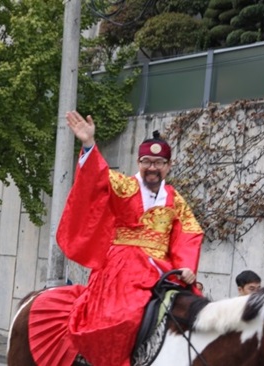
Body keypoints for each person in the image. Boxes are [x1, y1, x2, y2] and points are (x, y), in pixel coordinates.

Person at [28, 111, 204, 366]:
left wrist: (187, 266)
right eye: (146, 161)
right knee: (123, 316)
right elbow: (97, 178)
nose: (152, 167)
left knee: (195, 313)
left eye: (158, 162)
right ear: (138, 162)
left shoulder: (175, 200)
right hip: (123, 268)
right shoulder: (123, 186)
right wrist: (89, 145)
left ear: (168, 166)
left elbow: (188, 233)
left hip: (164, 269)